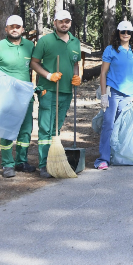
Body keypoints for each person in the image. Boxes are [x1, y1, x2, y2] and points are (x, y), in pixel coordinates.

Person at [0, 15, 37, 177]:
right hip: (6, 97)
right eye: (11, 26)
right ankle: (7, 164)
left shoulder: (29, 46)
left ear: (23, 29)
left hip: (25, 96)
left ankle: (21, 162)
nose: (14, 29)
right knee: (6, 130)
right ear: (6, 29)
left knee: (25, 131)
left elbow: (35, 66)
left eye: (18, 26)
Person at [30, 10, 82, 178]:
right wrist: (48, 75)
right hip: (49, 90)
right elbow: (34, 63)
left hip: (66, 91)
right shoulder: (45, 41)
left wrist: (77, 77)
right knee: (46, 128)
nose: (64, 24)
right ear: (55, 23)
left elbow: (75, 64)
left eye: (67, 21)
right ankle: (44, 165)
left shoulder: (75, 42)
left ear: (70, 23)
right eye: (61, 21)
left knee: (56, 129)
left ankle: (54, 160)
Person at [97, 21, 133, 170]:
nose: (126, 35)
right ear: (118, 33)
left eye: (129, 32)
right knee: (108, 124)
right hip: (113, 91)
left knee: (123, 126)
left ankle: (119, 155)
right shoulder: (110, 50)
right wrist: (104, 95)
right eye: (123, 32)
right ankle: (103, 158)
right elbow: (103, 73)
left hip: (129, 94)